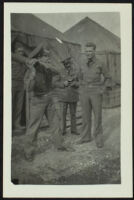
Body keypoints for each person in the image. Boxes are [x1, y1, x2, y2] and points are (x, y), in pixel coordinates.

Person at [24, 44, 68, 161]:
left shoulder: (48, 68)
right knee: (33, 127)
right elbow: (27, 88)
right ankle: (29, 152)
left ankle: (59, 145)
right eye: (45, 56)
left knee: (55, 123)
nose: (48, 58)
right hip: (37, 100)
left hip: (49, 98)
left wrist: (62, 84)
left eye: (48, 56)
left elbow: (53, 81)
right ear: (38, 57)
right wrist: (33, 71)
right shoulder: (32, 69)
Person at [77, 42, 112, 148]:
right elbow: (79, 77)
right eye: (86, 51)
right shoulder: (82, 62)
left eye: (90, 51)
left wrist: (102, 89)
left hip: (96, 91)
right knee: (85, 115)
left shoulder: (100, 62)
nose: (88, 53)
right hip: (84, 92)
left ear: (94, 51)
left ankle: (98, 139)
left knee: (97, 116)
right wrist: (81, 87)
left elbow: (108, 77)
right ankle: (85, 137)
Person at [11, 41, 36, 132]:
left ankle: (16, 124)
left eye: (22, 51)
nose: (21, 53)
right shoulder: (11, 58)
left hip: (21, 84)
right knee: (10, 104)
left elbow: (31, 69)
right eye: (19, 51)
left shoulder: (25, 61)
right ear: (15, 52)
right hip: (12, 82)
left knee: (19, 106)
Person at [52, 57, 79, 136]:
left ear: (71, 63)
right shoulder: (60, 72)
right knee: (62, 114)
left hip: (73, 95)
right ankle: (62, 131)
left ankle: (74, 130)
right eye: (66, 64)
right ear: (64, 65)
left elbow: (80, 82)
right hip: (63, 96)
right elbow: (54, 83)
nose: (68, 65)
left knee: (73, 114)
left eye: (69, 63)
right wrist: (63, 84)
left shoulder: (76, 72)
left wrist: (75, 84)